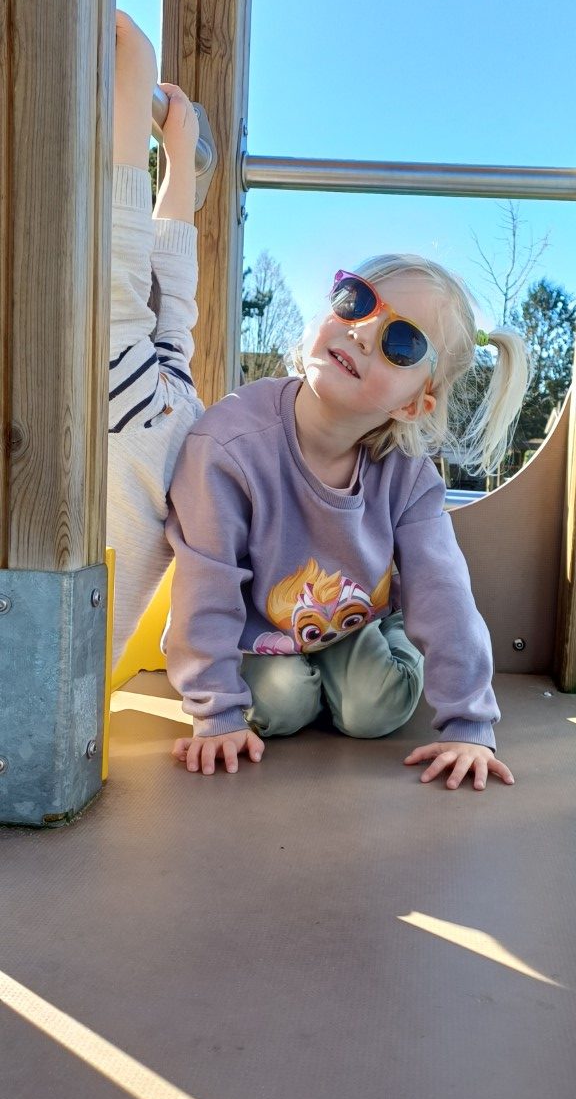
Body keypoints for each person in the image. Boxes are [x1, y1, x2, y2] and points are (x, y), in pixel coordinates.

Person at [165, 259, 530, 789]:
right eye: (355, 301)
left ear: (413, 404)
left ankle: (390, 636)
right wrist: (216, 710)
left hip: (353, 620)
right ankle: (308, 683)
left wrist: (468, 723)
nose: (361, 332)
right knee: (282, 701)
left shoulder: (408, 476)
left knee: (374, 709)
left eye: (401, 343)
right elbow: (207, 581)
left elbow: (443, 589)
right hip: (255, 629)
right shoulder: (228, 445)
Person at [109, 11, 204, 664]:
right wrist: (179, 159)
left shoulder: (133, 395)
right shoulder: (171, 404)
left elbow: (129, 261)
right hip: (86, 674)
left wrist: (136, 70)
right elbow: (167, 287)